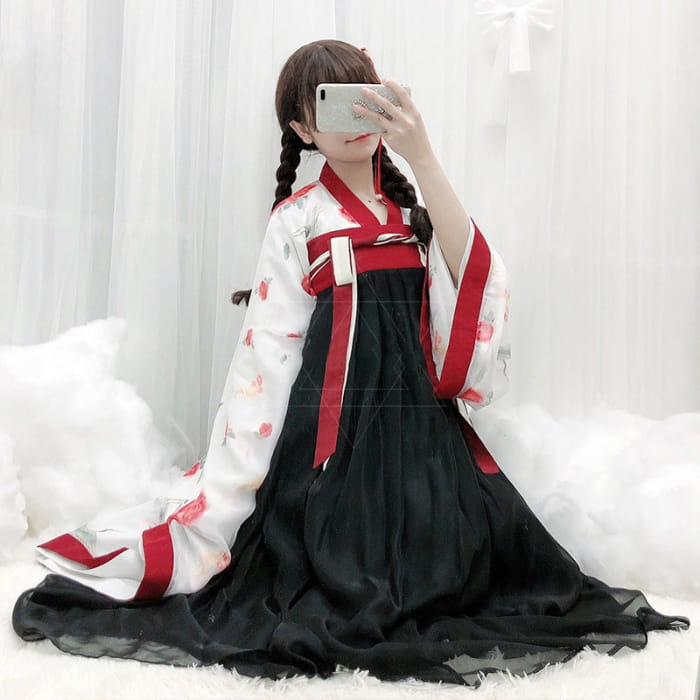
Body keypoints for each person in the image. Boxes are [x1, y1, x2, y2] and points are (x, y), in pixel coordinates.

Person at [12, 39, 689, 687]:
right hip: (333, 443)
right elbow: (267, 352)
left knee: (491, 567)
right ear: (303, 129)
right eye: (330, 104)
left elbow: (478, 278)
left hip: (422, 437)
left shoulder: (414, 212)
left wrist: (422, 154)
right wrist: (234, 480)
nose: (353, 118)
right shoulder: (299, 219)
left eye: (363, 97)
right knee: (340, 578)